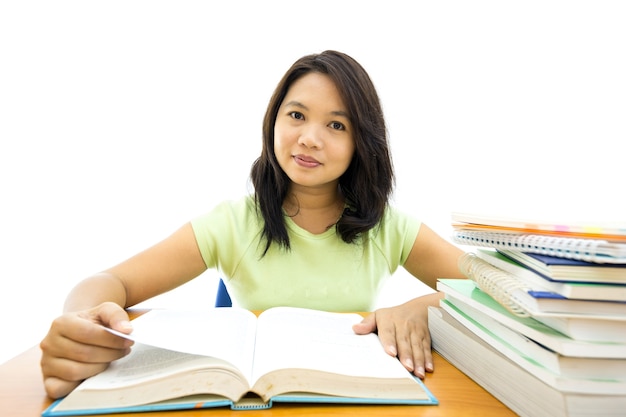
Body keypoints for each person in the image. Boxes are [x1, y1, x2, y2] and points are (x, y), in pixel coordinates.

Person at [39, 50, 467, 399]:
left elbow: (496, 293)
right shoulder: (232, 223)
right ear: (274, 121)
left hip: (346, 403)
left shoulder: (388, 227)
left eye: (336, 125)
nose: (310, 138)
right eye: (296, 115)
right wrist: (82, 322)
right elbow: (110, 281)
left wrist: (421, 307)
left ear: (362, 143)